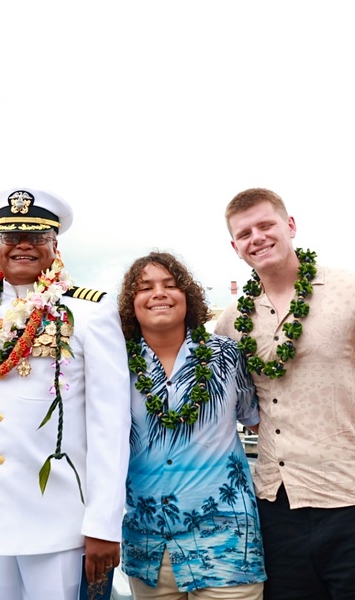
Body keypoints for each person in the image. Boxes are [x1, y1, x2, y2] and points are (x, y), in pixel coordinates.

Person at [214, 188, 355, 600]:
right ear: (235, 247)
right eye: (245, 233)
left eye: (266, 225)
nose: (256, 237)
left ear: (290, 225)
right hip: (277, 511)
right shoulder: (232, 321)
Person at [0, 187, 131, 600]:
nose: (23, 246)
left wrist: (103, 525)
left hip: (60, 525)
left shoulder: (88, 312)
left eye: (36, 237)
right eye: (12, 237)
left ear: (55, 245)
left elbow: (110, 424)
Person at [118, 252, 265, 600]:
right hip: (149, 543)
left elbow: (260, 422)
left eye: (171, 285)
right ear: (131, 303)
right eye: (145, 288)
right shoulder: (115, 362)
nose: (159, 293)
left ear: (188, 296)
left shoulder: (227, 356)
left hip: (226, 540)